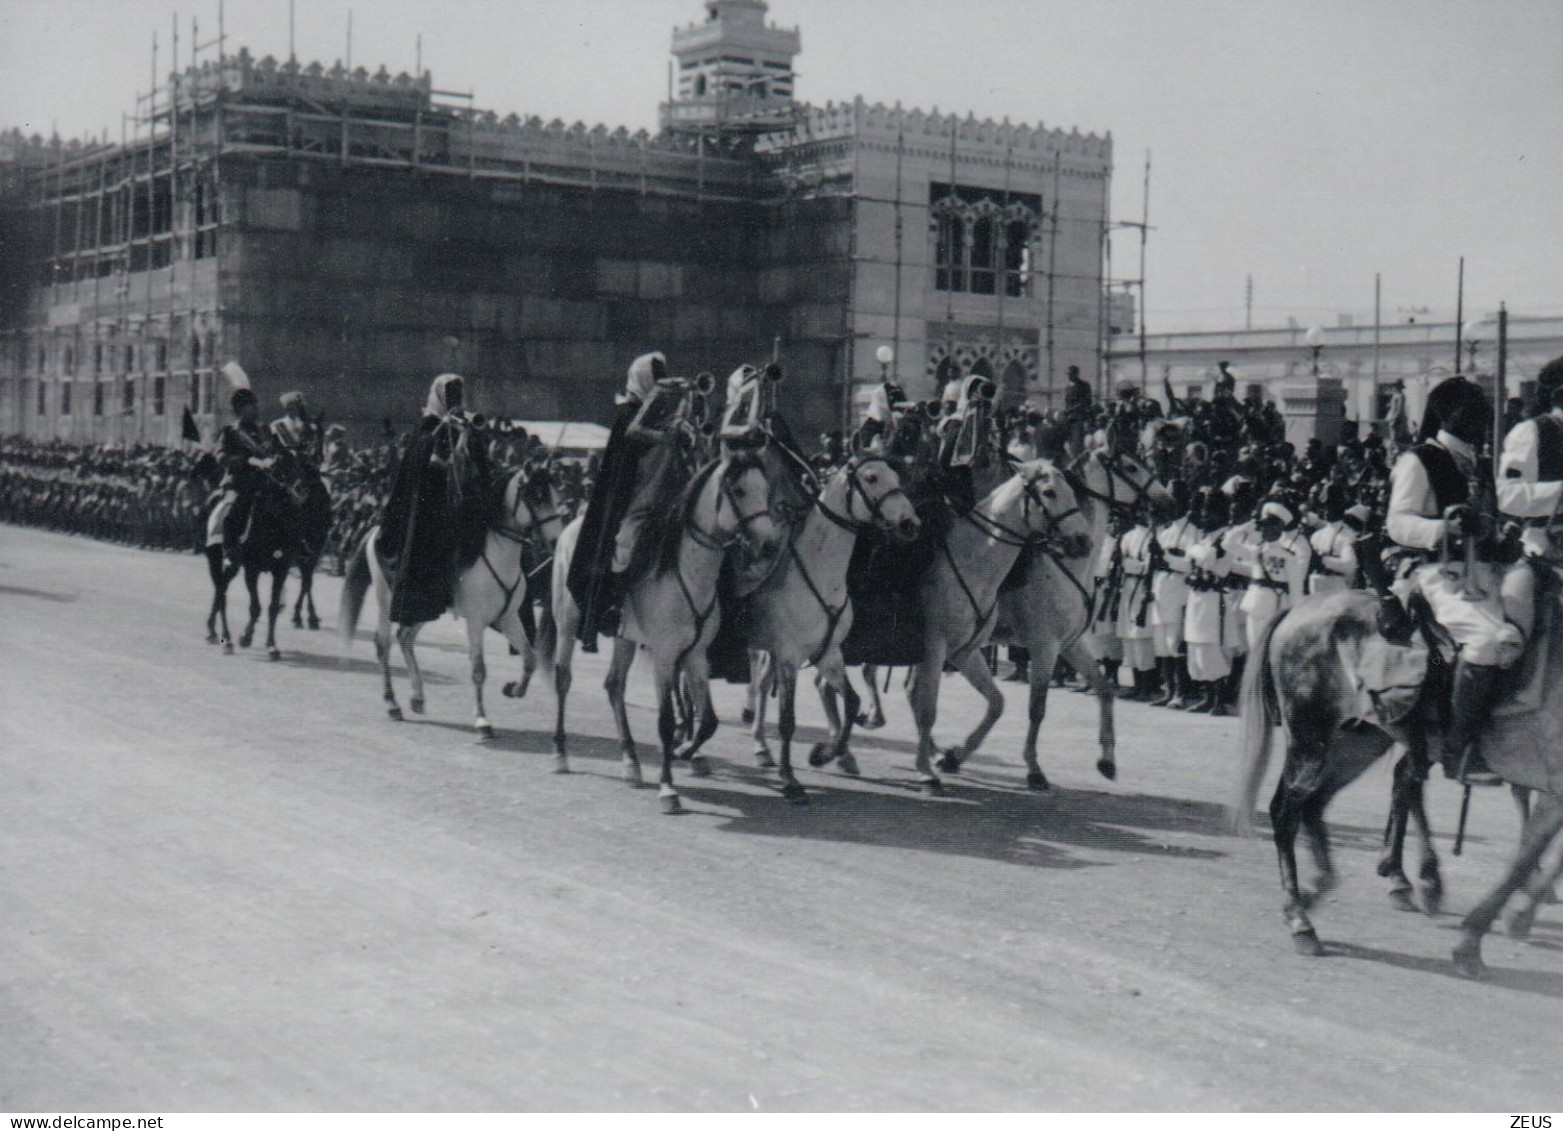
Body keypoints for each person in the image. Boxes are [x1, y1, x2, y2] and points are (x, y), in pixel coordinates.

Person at [1387, 376, 1528, 784]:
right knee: (1487, 642)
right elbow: (1398, 522)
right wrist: (1441, 529)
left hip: (1490, 575)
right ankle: (1458, 749)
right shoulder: (1419, 459)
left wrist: (1503, 537)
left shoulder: (1482, 465)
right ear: (1448, 415)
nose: (1480, 424)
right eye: (1471, 414)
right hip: (1439, 574)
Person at [567, 352, 691, 647]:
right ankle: (614, 607)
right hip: (632, 504)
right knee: (625, 545)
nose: (659, 384)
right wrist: (665, 435)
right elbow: (634, 441)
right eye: (655, 380)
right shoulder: (627, 415)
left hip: (663, 502)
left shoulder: (660, 418)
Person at [379, 373, 495, 626]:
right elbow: (423, 459)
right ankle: (425, 595)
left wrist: (471, 436)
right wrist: (441, 433)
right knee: (429, 534)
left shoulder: (462, 423)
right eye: (450, 395)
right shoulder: (428, 425)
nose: (456, 400)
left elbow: (479, 462)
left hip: (460, 495)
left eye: (458, 395)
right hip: (431, 499)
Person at [211, 362, 276, 561]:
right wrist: (243, 461)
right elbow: (220, 455)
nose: (254, 410)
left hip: (266, 480)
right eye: (249, 407)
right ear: (240, 410)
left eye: (254, 406)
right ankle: (229, 547)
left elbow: (275, 449)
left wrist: (274, 459)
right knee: (234, 509)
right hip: (240, 480)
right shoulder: (231, 432)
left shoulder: (264, 430)